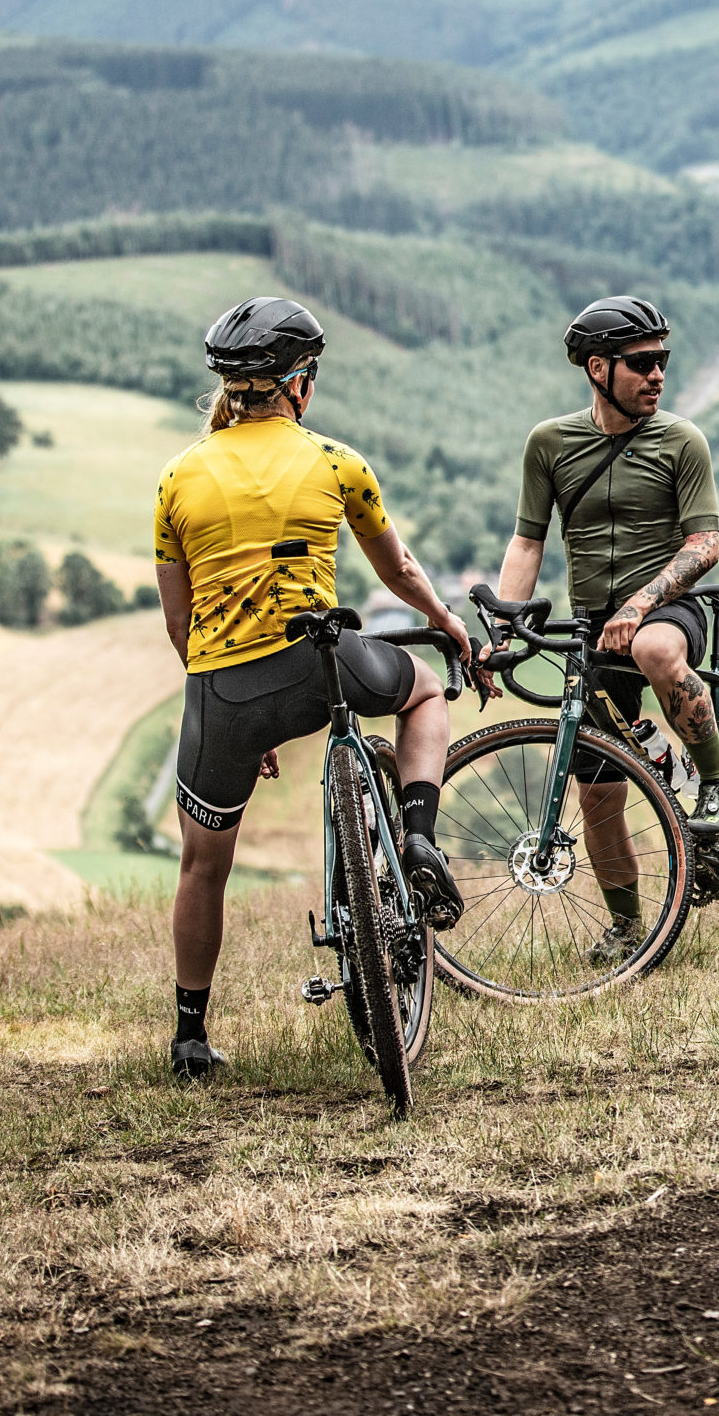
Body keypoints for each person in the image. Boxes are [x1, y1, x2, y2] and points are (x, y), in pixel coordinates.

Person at [152, 297, 475, 1079]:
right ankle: (419, 835)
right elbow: (397, 571)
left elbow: (180, 621)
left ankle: (190, 1036)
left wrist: (238, 718)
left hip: (221, 687)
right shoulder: (336, 462)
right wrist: (447, 621)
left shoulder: (177, 479)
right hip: (320, 668)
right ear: (300, 382)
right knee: (424, 691)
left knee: (203, 864)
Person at [494, 296, 719, 965]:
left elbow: (705, 543)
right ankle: (630, 927)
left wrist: (642, 601)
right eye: (642, 363)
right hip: (591, 628)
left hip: (666, 605)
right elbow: (526, 543)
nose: (658, 374)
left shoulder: (681, 440)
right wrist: (501, 630)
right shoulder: (550, 443)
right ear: (598, 368)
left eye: (662, 360)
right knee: (597, 789)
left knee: (655, 645)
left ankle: (717, 787)